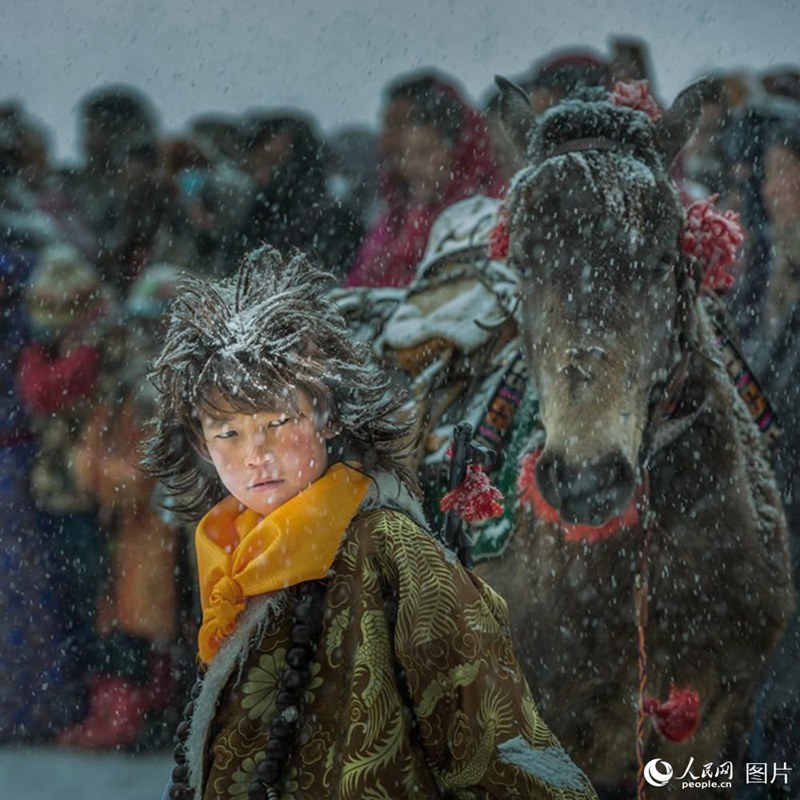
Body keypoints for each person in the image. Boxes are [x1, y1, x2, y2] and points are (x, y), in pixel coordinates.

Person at [144, 245, 597, 800]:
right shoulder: (230, 550)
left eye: (278, 422)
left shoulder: (391, 549)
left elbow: (494, 745)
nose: (256, 454)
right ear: (200, 443)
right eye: (228, 432)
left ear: (327, 414)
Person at [344, 70, 505, 288]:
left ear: (457, 149)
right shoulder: (397, 212)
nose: (411, 164)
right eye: (405, 154)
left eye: (424, 152)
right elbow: (363, 278)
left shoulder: (489, 208)